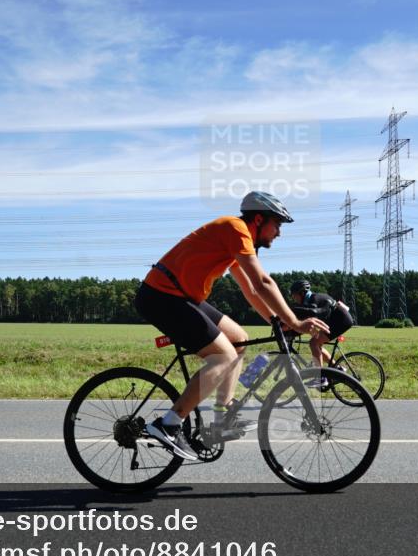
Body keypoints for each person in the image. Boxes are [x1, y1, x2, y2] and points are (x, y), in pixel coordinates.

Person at [134, 191, 329, 460]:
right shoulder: (235, 228)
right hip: (162, 296)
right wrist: (293, 320)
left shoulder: (238, 238)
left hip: (181, 297)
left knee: (238, 338)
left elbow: (250, 290)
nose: (279, 233)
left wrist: (275, 321)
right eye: (278, 224)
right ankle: (169, 424)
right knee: (223, 355)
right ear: (259, 219)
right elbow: (263, 283)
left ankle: (222, 415)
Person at [287, 279, 354, 380]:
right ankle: (338, 368)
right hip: (334, 321)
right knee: (316, 343)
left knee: (313, 343)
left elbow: (314, 312)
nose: (293, 298)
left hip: (341, 321)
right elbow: (303, 321)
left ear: (301, 293)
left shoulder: (314, 298)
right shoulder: (308, 301)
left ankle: (320, 378)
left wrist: (293, 309)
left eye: (294, 295)